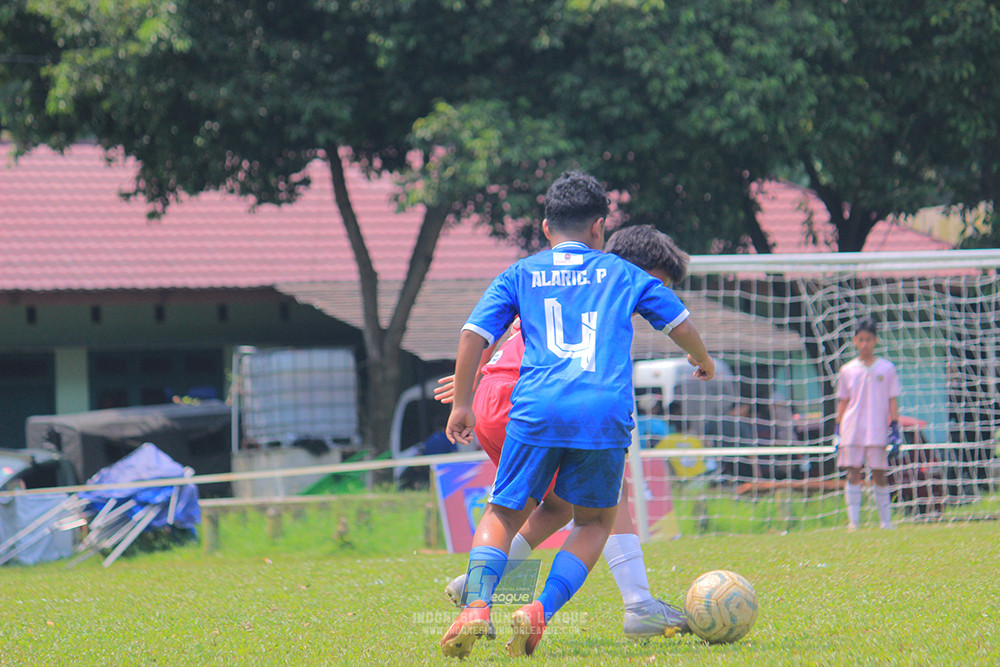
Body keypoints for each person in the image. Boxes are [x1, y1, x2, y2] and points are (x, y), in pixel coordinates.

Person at [438, 171, 714, 659]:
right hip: (596, 410)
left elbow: (474, 334)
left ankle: (477, 602)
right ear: (599, 227)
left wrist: (464, 395)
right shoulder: (621, 275)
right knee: (594, 518)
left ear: (546, 228)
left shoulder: (523, 272)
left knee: (508, 509)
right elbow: (682, 325)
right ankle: (553, 607)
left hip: (527, 404)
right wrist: (704, 361)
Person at [835, 317, 902, 531]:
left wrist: (895, 428)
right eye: (861, 339)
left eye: (869, 340)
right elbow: (843, 402)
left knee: (879, 472)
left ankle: (886, 522)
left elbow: (893, 400)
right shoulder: (847, 369)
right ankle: (853, 522)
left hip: (877, 428)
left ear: (876, 341)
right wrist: (837, 431)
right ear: (855, 340)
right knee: (853, 472)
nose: (865, 344)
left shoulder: (887, 368)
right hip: (852, 428)